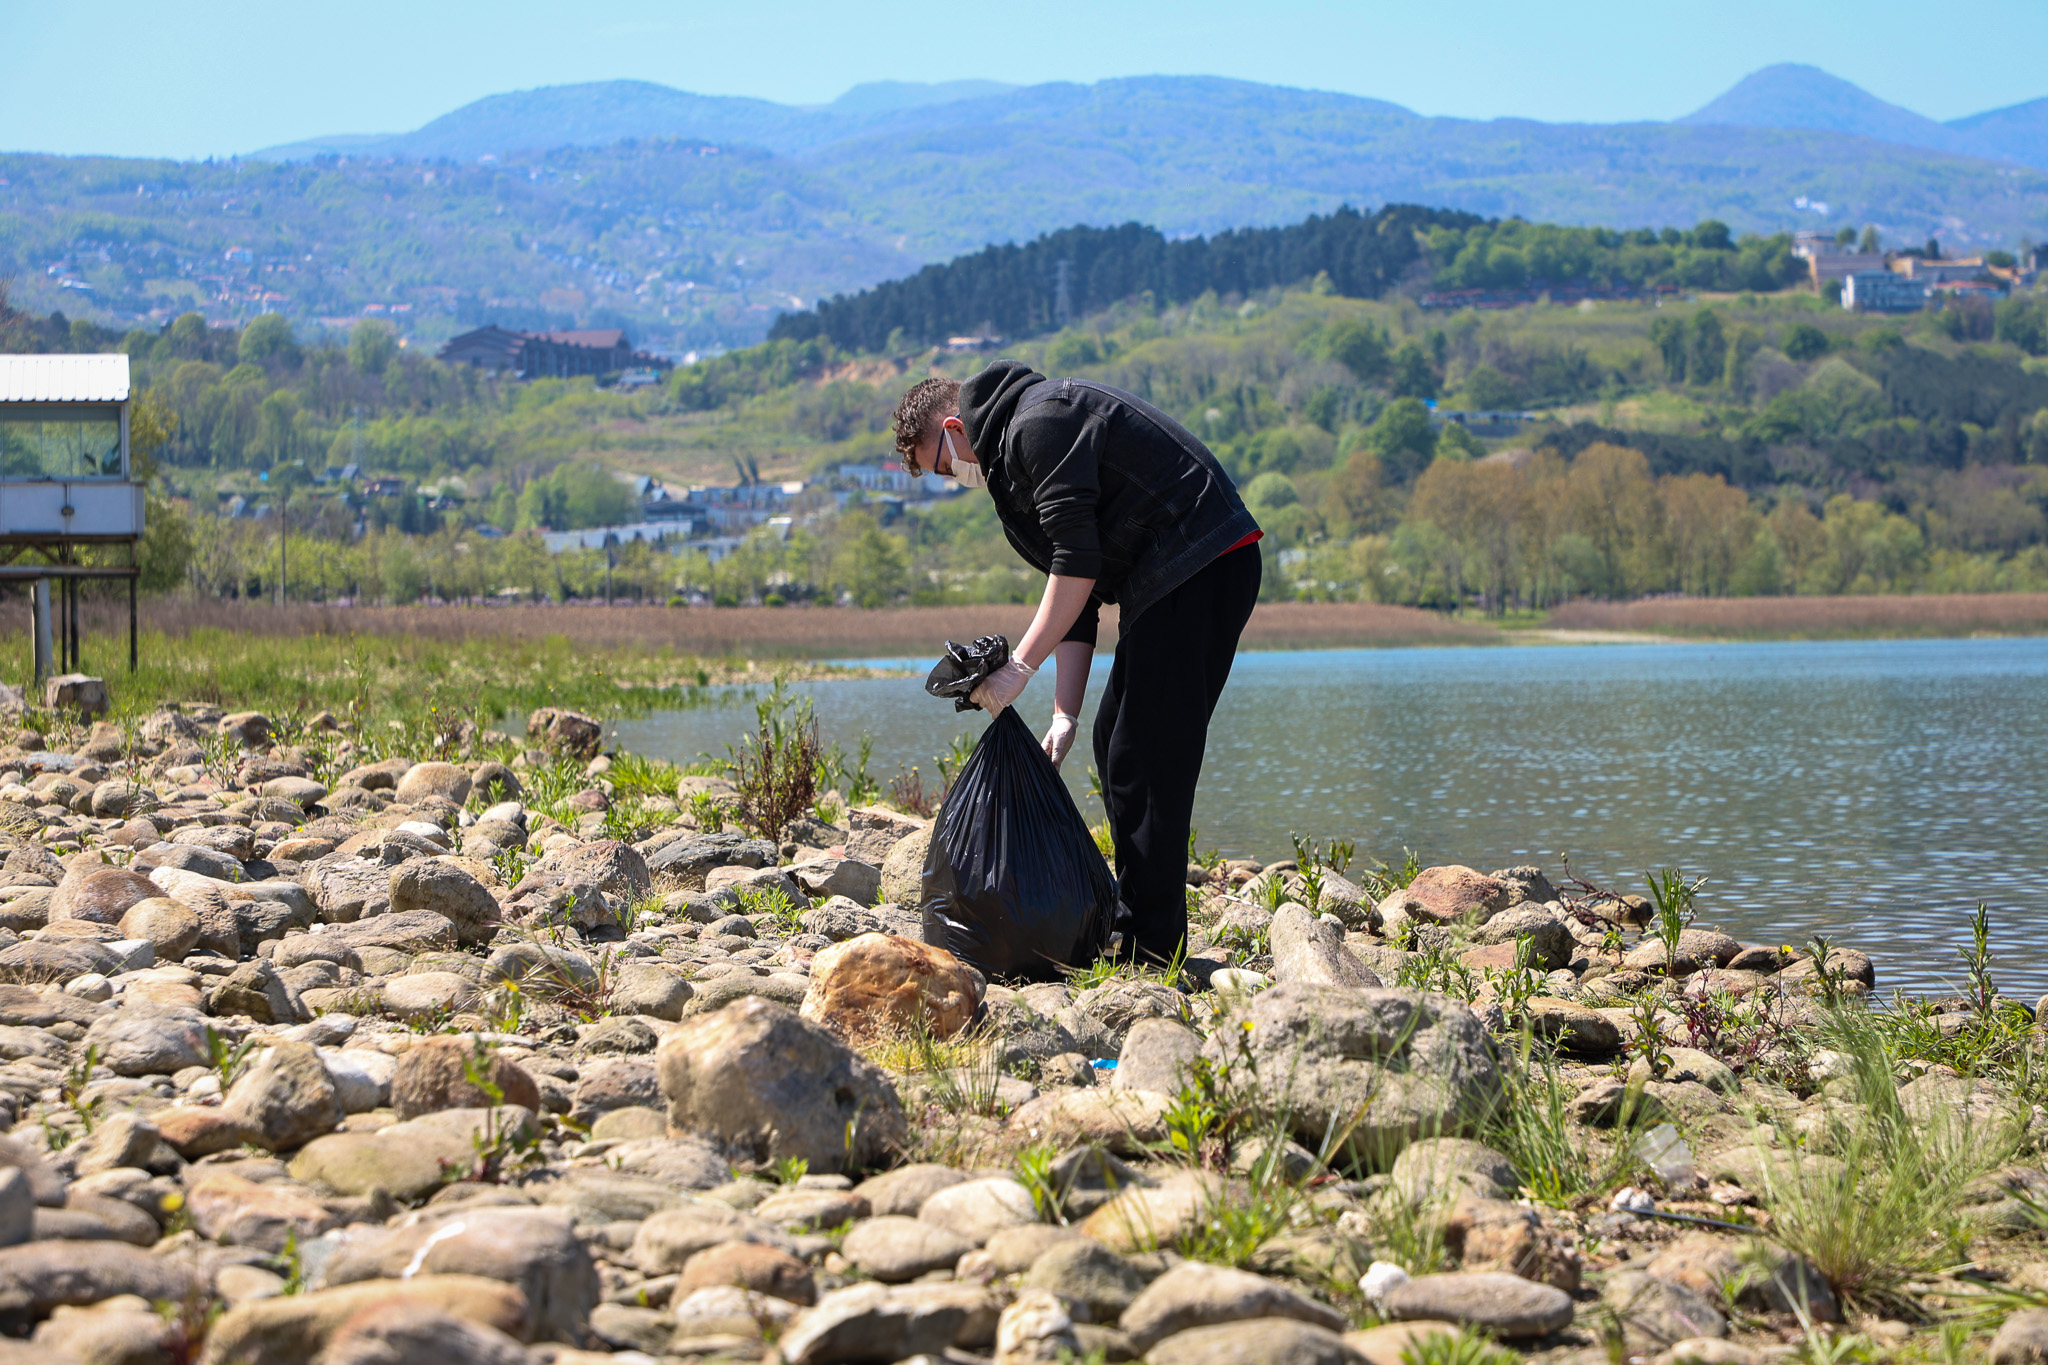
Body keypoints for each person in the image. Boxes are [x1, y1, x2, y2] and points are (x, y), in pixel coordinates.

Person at [892, 360, 1262, 965]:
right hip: (1171, 576)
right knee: (1111, 737)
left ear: (956, 428)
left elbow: (1077, 563)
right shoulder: (1013, 473)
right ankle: (1136, 920)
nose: (950, 477)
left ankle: (1152, 946)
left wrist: (1020, 668)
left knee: (1146, 756)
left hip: (1204, 559)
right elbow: (1080, 601)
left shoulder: (1039, 423)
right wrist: (1063, 716)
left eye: (941, 463)